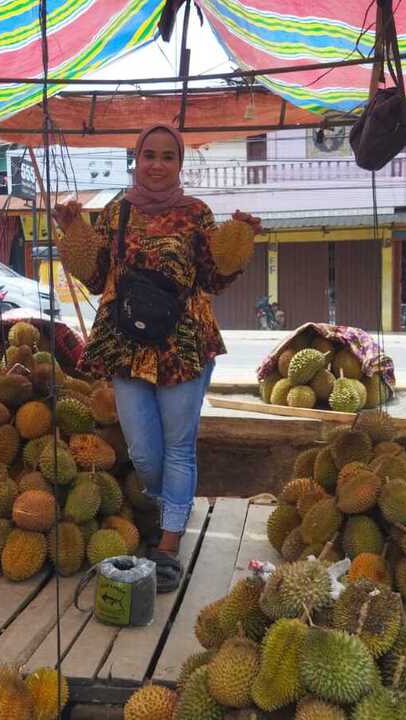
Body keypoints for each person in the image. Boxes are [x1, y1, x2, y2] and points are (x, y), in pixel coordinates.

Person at [52, 123, 261, 592]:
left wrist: (240, 240)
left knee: (180, 448)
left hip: (184, 344)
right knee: (146, 452)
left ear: (179, 164)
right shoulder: (115, 212)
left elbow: (213, 278)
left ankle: (167, 544)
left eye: (168, 156)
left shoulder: (197, 214)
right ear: (136, 159)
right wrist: (72, 231)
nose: (158, 164)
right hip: (127, 345)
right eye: (149, 154)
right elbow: (95, 275)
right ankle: (168, 507)